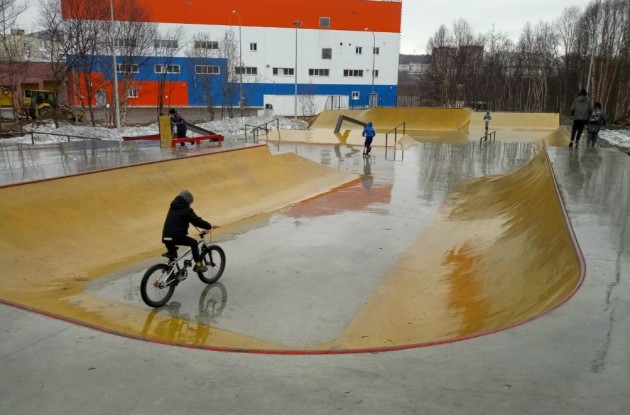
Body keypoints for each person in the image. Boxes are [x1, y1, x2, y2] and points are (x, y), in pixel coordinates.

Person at [162, 190, 213, 273]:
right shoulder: (186, 209)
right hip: (177, 236)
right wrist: (208, 226)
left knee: (172, 254)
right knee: (194, 243)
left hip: (166, 237)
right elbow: (196, 221)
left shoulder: (173, 207)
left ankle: (170, 273)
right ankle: (198, 265)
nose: (190, 204)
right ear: (187, 201)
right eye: (190, 203)